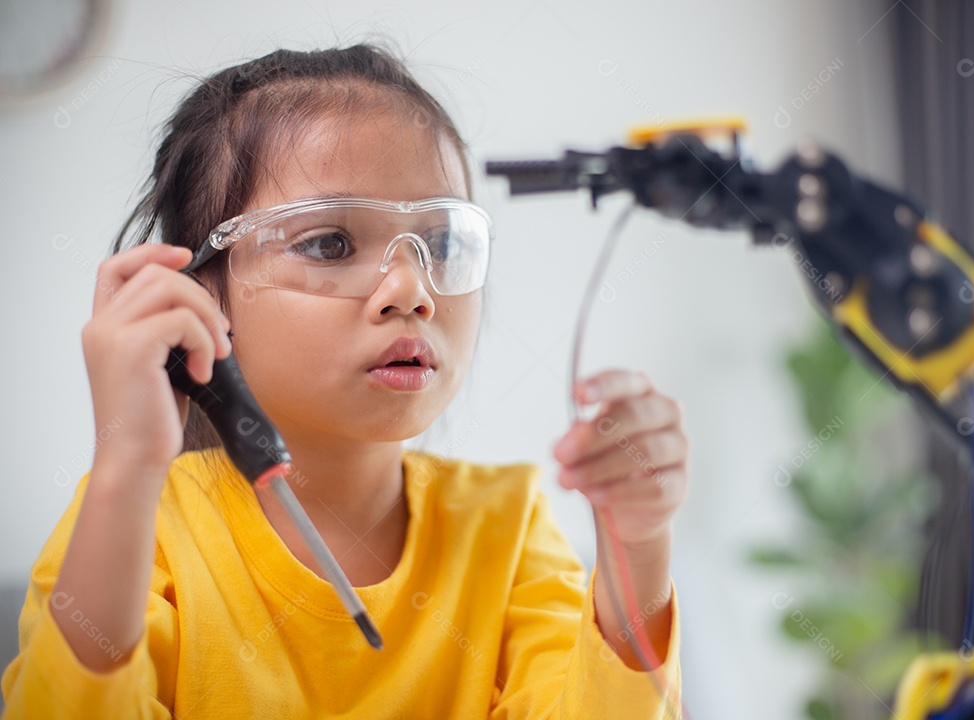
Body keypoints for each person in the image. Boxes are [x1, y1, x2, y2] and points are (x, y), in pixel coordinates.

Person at [1, 43, 689, 718]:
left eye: (442, 244)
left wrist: (638, 545)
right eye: (330, 242)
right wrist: (123, 470)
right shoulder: (134, 528)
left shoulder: (506, 530)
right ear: (203, 297)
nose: (411, 291)